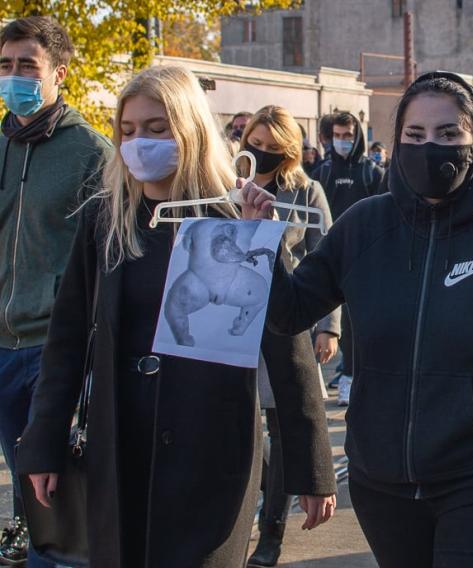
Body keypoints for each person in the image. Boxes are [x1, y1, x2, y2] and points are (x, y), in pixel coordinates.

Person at [240, 71, 473, 568]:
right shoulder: (363, 226)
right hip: (381, 481)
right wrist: (259, 243)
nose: (430, 148)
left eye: (448, 134)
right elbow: (288, 313)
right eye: (415, 136)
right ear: (397, 141)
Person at [15, 65, 337, 568]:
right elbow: (68, 339)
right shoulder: (105, 219)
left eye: (156, 128)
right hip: (119, 446)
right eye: (128, 130)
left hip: (210, 452)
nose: (139, 141)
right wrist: (44, 441)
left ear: (188, 129)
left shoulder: (236, 220)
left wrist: (311, 467)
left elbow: (285, 342)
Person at [0, 16, 113, 566]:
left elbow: (110, 252)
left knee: (58, 494)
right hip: (1, 342)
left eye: (28, 66)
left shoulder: (91, 151)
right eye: (5, 65)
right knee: (24, 486)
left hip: (54, 349)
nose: (15, 76)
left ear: (59, 74)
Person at [238, 105, 341, 567]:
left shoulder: (307, 191)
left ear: (288, 151)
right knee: (243, 425)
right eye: (252, 143)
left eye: (270, 148)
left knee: (284, 428)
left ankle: (272, 532)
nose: (258, 153)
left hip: (286, 321)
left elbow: (326, 260)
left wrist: (328, 326)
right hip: (235, 317)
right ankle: (260, 494)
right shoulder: (228, 182)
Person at [310, 111, 385, 405]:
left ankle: (352, 378)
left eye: (348, 136)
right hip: (330, 257)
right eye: (338, 136)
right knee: (326, 323)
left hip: (365, 261)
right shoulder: (322, 172)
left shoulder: (371, 173)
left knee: (358, 326)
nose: (343, 142)